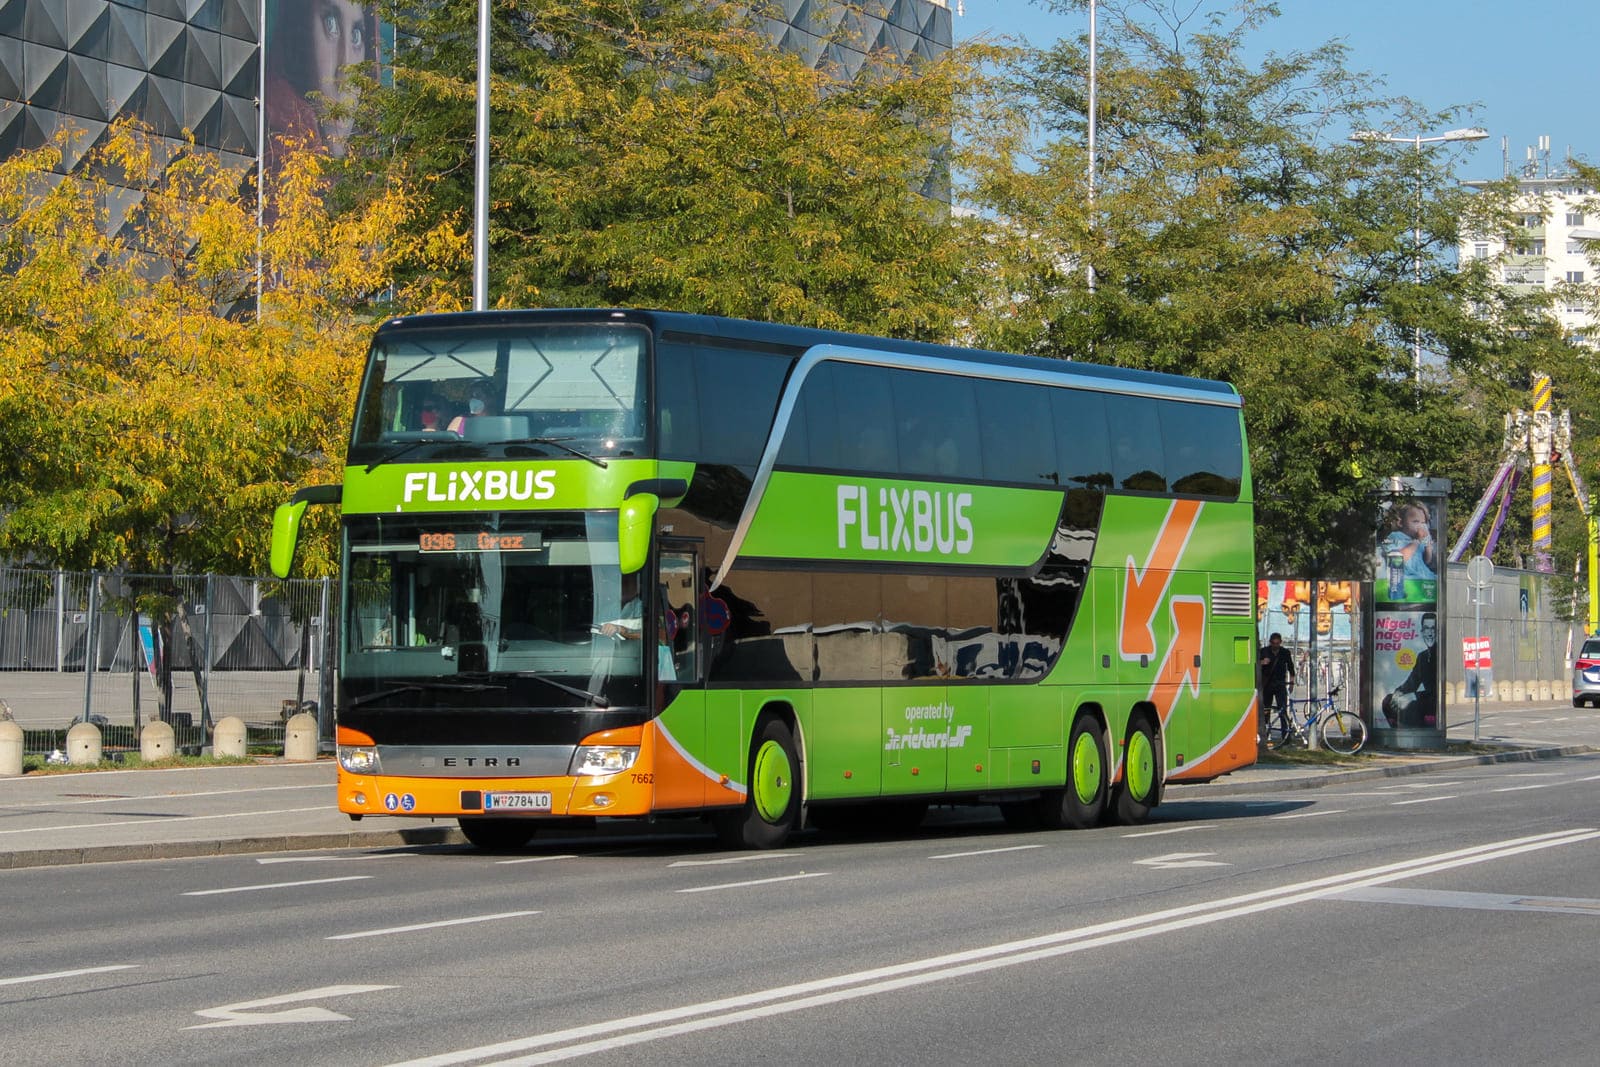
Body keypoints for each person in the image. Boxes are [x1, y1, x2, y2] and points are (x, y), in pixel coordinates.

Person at [263, 0, 377, 172]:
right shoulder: (268, 159)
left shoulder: (375, 181)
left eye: (356, 35)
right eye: (330, 24)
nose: (345, 71)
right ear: (299, 33)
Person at [1384, 612, 1438, 728]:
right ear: (1422, 632)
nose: (1430, 633)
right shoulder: (1422, 656)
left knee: (1411, 705)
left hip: (1434, 701)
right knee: (1388, 701)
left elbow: (1436, 690)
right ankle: (1397, 734)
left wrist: (1414, 696)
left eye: (1433, 628)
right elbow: (1412, 681)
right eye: (1426, 628)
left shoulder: (1440, 654)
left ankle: (1413, 736)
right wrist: (1398, 693)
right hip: (1424, 699)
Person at [1381, 499, 1437, 582]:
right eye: (1416, 522)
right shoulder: (1395, 537)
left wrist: (1428, 545)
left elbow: (1427, 560)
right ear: (1401, 523)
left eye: (1423, 523)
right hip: (1407, 579)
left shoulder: (1418, 541)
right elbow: (1398, 560)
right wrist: (1417, 541)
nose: (1420, 526)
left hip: (1424, 577)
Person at [1258, 631, 1296, 739]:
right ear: (1270, 642)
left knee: (1282, 709)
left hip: (1280, 684)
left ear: (1280, 643)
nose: (1275, 646)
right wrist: (1262, 662)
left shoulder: (1285, 653)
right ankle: (1265, 734)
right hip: (1267, 684)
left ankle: (1285, 735)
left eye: (1277, 643)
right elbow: (1254, 664)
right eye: (1273, 643)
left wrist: (1291, 682)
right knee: (1266, 710)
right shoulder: (1264, 651)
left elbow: (1291, 668)